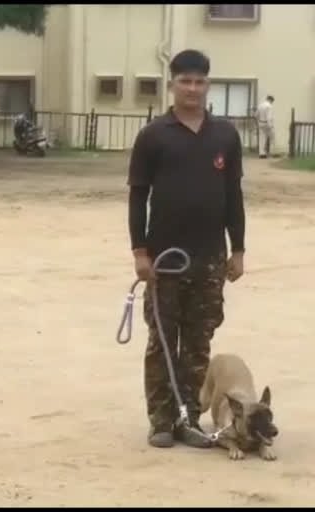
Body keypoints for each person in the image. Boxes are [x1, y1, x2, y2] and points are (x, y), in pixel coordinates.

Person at [126, 49, 246, 449]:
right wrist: (140, 252)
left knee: (198, 343)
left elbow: (233, 195)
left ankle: (189, 418)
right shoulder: (154, 136)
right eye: (185, 81)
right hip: (164, 259)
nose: (192, 89)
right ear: (172, 84)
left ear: (207, 84)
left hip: (210, 257)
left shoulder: (225, 135)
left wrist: (238, 249)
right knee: (162, 342)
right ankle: (161, 421)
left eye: (199, 82)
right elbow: (137, 197)